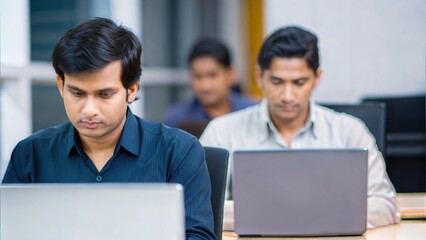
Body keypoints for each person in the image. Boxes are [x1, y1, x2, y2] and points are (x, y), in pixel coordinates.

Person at [2, 18, 215, 240]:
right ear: (60, 85)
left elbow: (198, 236)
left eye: (104, 94)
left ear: (131, 90)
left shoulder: (178, 151)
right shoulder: (30, 154)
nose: (89, 110)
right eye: (77, 93)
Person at [200, 26, 400, 229]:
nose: (287, 95)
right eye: (277, 82)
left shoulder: (349, 131)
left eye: (299, 82)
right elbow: (201, 208)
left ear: (317, 78)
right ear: (259, 76)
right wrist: (304, 216)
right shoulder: (221, 132)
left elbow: (385, 205)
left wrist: (277, 217)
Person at [164, 38, 257, 128]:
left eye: (212, 75)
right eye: (198, 76)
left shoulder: (254, 113)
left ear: (230, 74)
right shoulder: (178, 119)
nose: (205, 86)